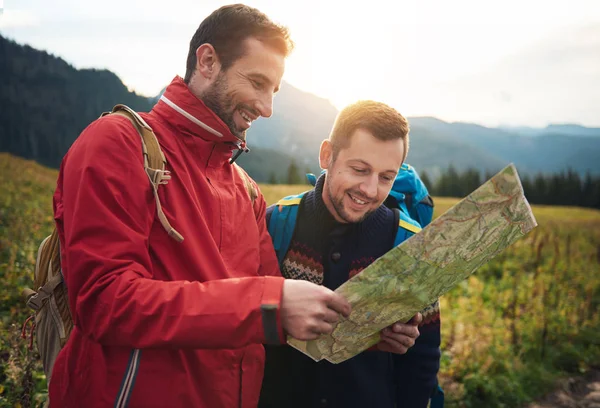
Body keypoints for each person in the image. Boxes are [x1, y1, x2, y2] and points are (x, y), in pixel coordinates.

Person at [48, 4, 356, 407]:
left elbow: (280, 312)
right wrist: (268, 305)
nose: (267, 108)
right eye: (257, 83)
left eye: (274, 91)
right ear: (208, 61)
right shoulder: (118, 143)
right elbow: (105, 301)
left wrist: (366, 327)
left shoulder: (246, 189)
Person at [259, 101, 442, 408]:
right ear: (327, 155)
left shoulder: (410, 244)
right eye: (359, 170)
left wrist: (405, 340)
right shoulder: (274, 224)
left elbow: (424, 361)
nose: (370, 190)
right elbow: (241, 325)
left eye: (386, 177)